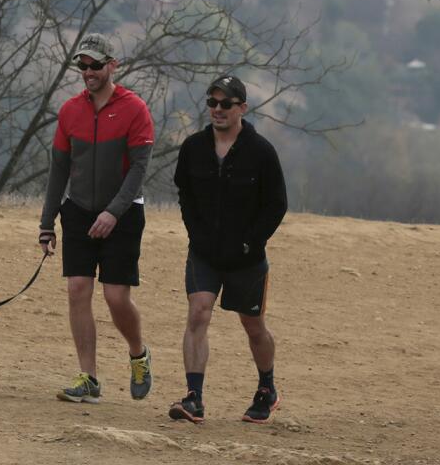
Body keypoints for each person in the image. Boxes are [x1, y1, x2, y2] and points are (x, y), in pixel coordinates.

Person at [38, 32, 156, 404]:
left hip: (123, 214)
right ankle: (88, 378)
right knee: (77, 291)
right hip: (78, 212)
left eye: (95, 65)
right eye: (82, 66)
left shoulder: (135, 108)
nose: (87, 72)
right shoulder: (70, 111)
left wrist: (113, 212)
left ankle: (138, 352)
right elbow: (58, 170)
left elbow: (139, 169)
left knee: (116, 298)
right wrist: (46, 223)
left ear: (112, 66)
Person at [169, 74, 288, 425]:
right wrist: (195, 232)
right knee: (198, 313)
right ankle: (194, 398)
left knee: (253, 327)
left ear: (242, 108)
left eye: (225, 104)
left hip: (246, 258)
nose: (217, 110)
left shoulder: (262, 152)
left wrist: (252, 241)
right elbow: (185, 194)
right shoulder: (192, 148)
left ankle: (267, 388)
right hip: (204, 252)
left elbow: (276, 205)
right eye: (212, 103)